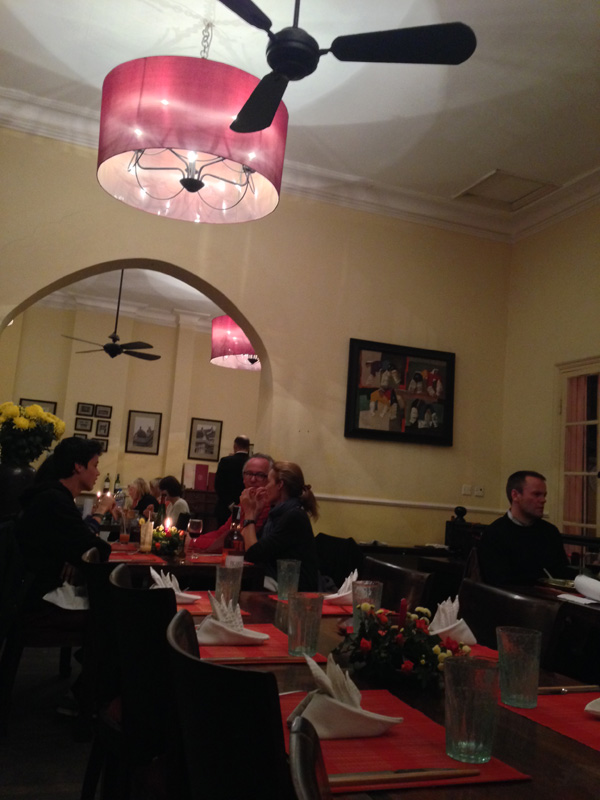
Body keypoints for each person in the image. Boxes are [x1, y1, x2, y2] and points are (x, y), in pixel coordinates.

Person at [16, 437, 112, 608]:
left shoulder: (52, 496)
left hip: (34, 588)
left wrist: (74, 557)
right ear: (78, 466)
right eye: (95, 465)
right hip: (38, 596)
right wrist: (77, 557)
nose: (98, 473)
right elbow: (100, 549)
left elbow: (78, 543)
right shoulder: (55, 500)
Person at [478, 470, 570, 586]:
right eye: (536, 494)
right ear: (515, 495)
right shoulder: (494, 534)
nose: (543, 500)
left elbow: (562, 573)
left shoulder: (550, 532)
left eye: (544, 495)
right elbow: (497, 582)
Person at [239, 461, 319, 590]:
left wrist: (248, 512)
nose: (265, 487)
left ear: (280, 485)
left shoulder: (294, 517)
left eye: (268, 482)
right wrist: (255, 513)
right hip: (274, 582)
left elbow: (253, 554)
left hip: (293, 591)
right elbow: (245, 543)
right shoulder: (277, 514)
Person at [192, 453, 273, 552]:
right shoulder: (243, 502)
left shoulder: (266, 505)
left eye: (260, 475)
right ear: (243, 478)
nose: (253, 479)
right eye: (249, 474)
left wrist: (193, 542)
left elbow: (235, 542)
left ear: (270, 479)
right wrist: (194, 539)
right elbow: (222, 532)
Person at [214, 435, 250, 525]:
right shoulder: (252, 462)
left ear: (235, 446)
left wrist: (230, 504)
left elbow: (218, 485)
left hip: (225, 507)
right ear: (248, 447)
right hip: (247, 507)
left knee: (223, 531)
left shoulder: (225, 461)